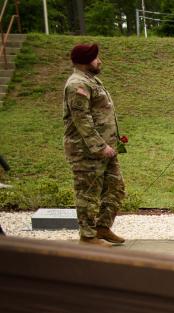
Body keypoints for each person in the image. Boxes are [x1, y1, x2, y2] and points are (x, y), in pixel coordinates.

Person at [62, 43, 126, 247]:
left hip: (106, 149)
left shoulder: (92, 80)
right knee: (88, 193)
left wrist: (112, 144)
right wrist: (100, 146)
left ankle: (102, 227)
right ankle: (88, 236)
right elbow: (82, 120)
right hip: (87, 151)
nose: (100, 61)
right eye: (96, 58)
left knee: (116, 187)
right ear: (85, 60)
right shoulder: (77, 85)